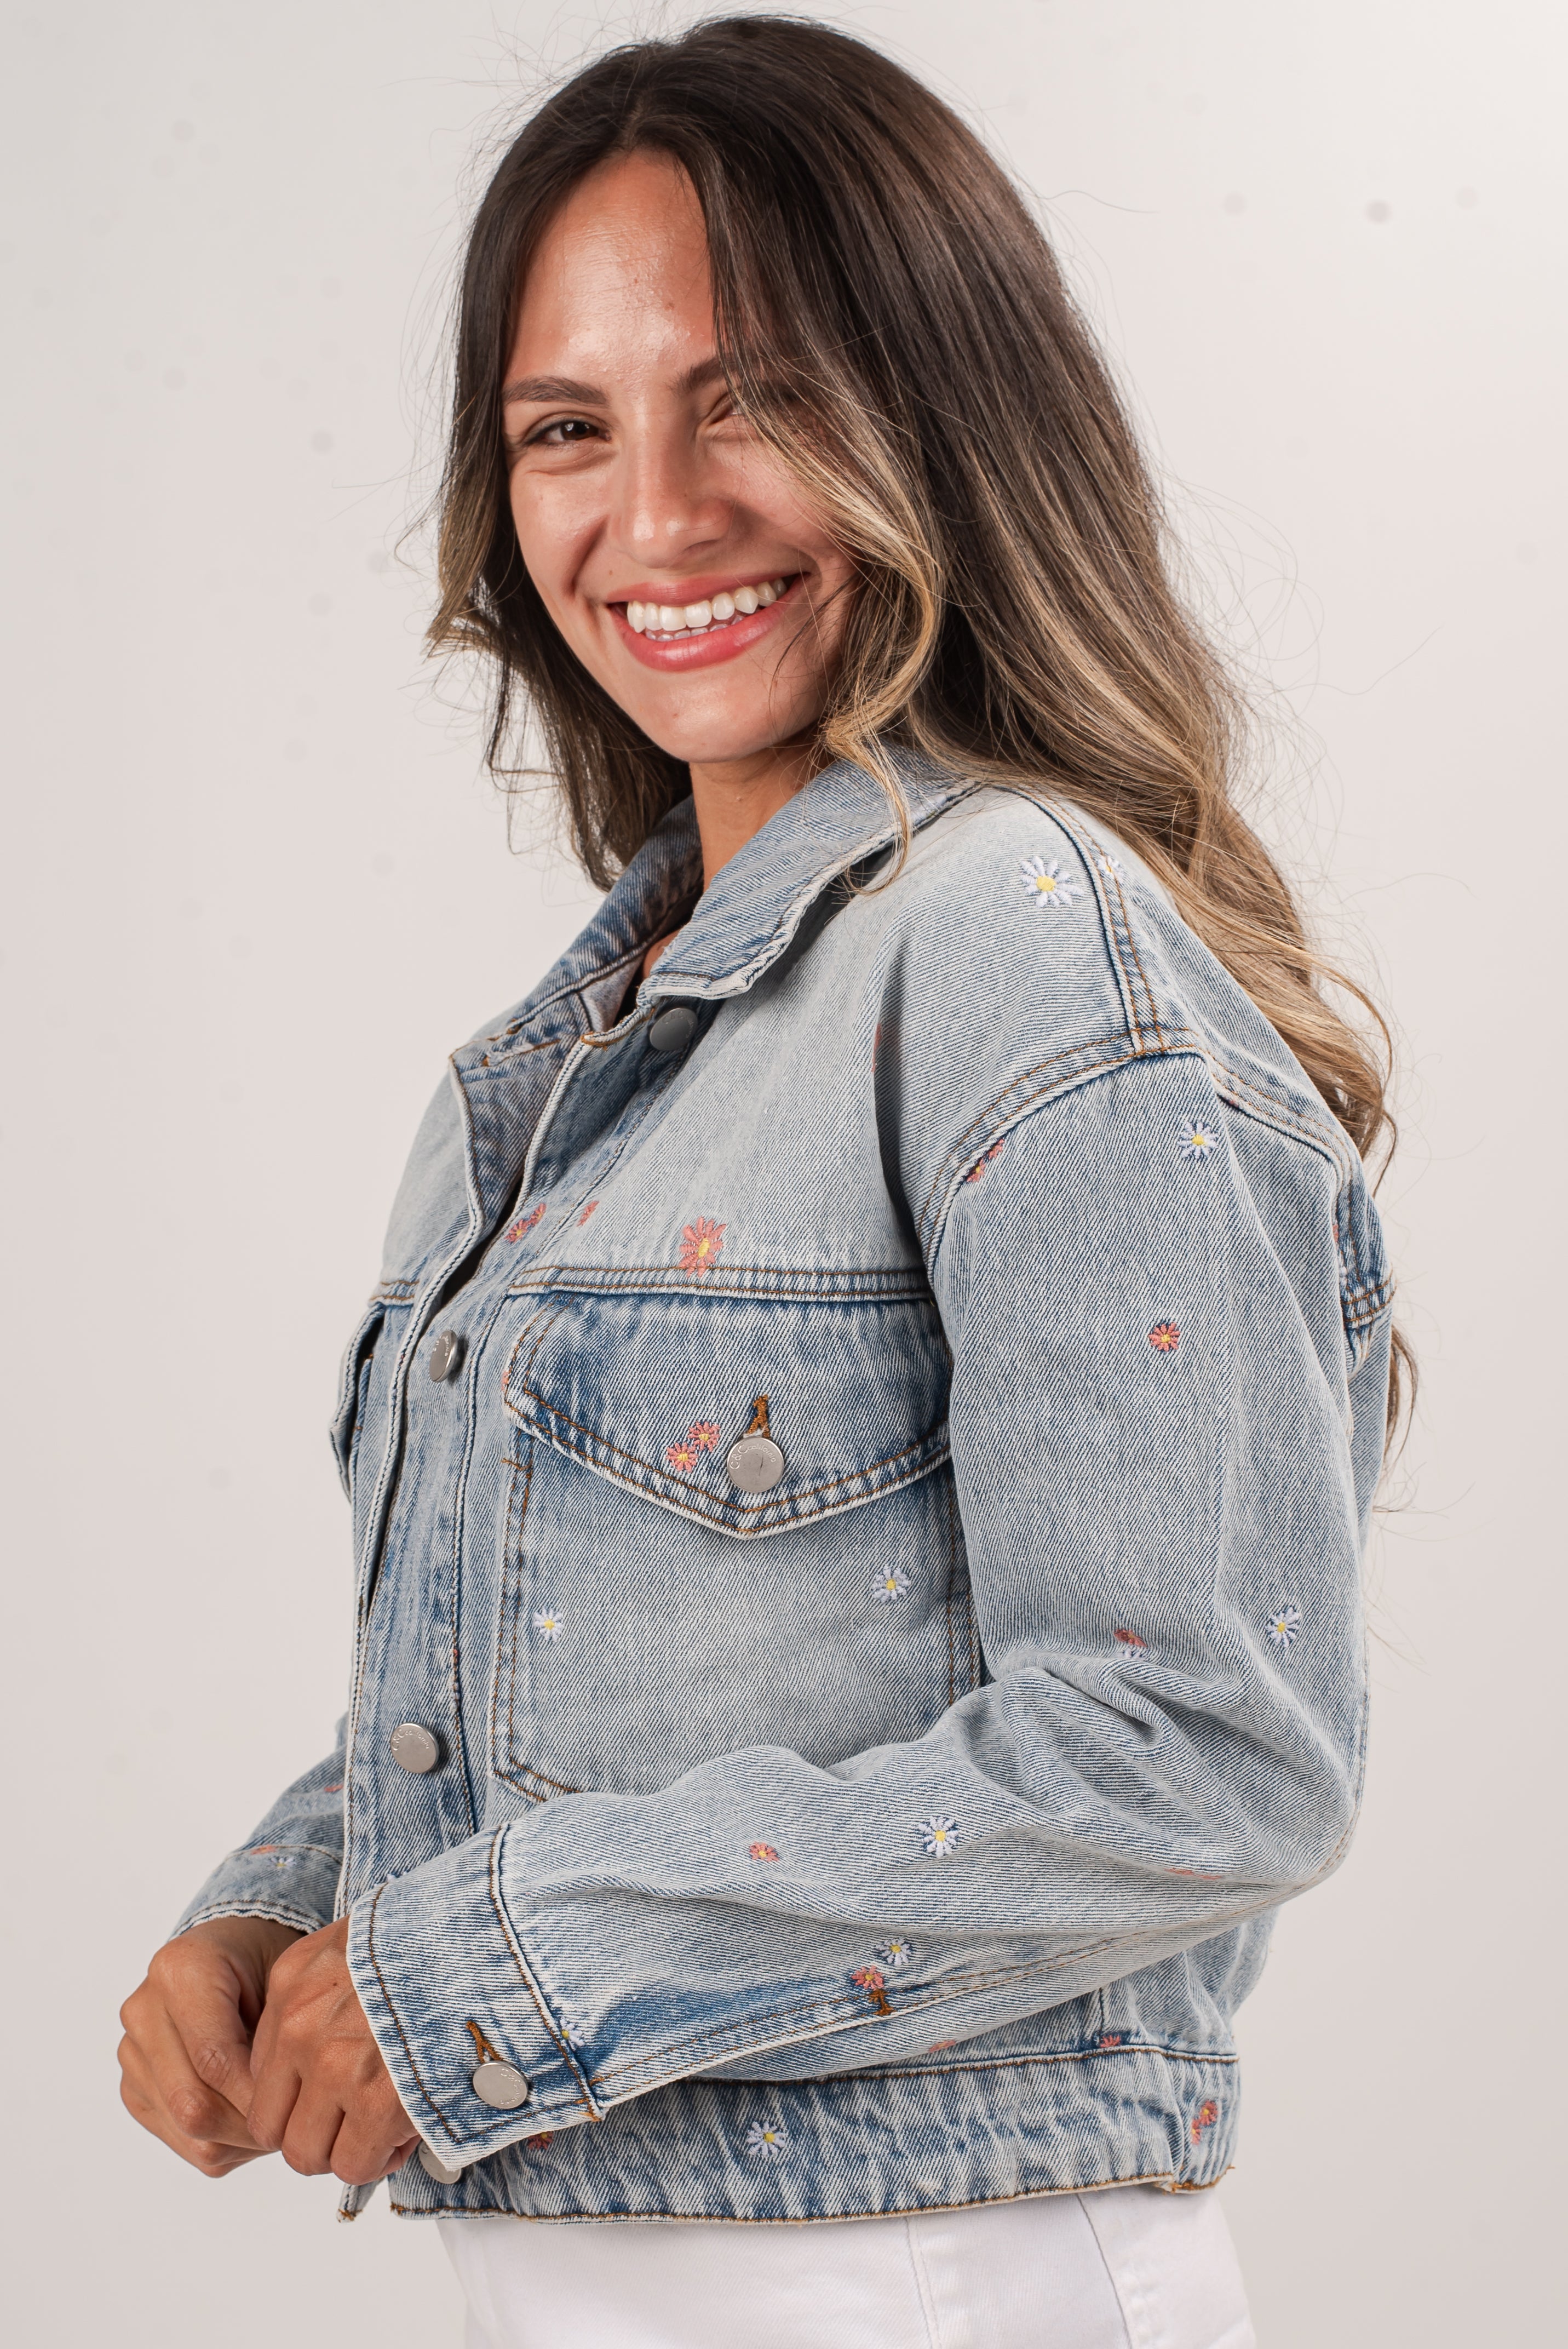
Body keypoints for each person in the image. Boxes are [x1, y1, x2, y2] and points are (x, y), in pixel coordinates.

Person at [118, 19, 1403, 2347]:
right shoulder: (568, 1065)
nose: (659, 514)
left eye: (757, 400)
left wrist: (474, 1968)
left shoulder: (1024, 949)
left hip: (932, 2282)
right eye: (564, 430)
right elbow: (609, 1685)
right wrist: (286, 1908)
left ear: (938, 413)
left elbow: (1199, 1750)